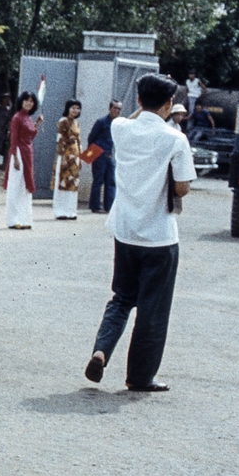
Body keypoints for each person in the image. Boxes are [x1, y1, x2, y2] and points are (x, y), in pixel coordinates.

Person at [85, 73, 195, 393]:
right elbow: (182, 188)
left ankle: (101, 351)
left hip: (125, 231)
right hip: (160, 236)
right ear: (169, 104)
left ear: (137, 101)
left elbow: (134, 117)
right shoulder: (175, 138)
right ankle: (139, 377)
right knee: (152, 310)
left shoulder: (121, 128)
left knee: (121, 298)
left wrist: (145, 107)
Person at [4, 91, 41, 229]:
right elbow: (13, 138)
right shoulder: (17, 117)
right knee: (15, 186)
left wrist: (36, 124)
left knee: (25, 186)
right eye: (26, 100)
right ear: (21, 101)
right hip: (18, 152)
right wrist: (14, 157)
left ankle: (24, 219)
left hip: (28, 153)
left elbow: (30, 137)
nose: (28, 103)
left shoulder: (28, 118)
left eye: (31, 101)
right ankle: (13, 220)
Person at [87, 100, 122, 213]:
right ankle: (95, 205)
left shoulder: (118, 124)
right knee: (98, 180)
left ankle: (109, 206)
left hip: (109, 154)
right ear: (110, 108)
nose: (116, 111)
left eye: (119, 109)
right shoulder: (101, 122)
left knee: (111, 180)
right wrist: (93, 153)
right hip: (99, 154)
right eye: (115, 108)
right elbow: (91, 137)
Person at [52, 99, 83, 220]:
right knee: (63, 182)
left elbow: (79, 140)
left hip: (75, 157)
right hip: (65, 155)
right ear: (68, 108)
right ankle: (60, 211)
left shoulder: (77, 123)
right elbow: (59, 139)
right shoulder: (63, 121)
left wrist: (80, 157)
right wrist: (62, 155)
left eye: (77, 108)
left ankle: (71, 211)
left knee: (73, 183)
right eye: (73, 108)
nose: (75, 110)